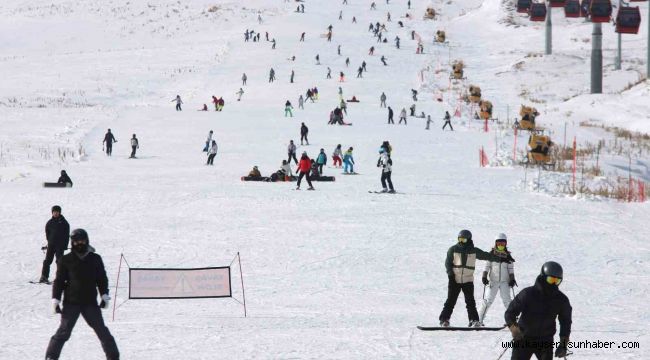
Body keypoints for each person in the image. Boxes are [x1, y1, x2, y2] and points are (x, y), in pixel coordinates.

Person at [45, 228, 120, 360]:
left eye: (82, 241)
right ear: (72, 243)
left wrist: (104, 294)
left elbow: (102, 278)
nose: (79, 243)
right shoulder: (66, 259)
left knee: (102, 331)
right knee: (64, 331)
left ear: (87, 241)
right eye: (76, 241)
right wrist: (55, 299)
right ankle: (51, 357)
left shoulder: (95, 259)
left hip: (90, 302)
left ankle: (113, 357)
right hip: (71, 302)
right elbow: (59, 281)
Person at [439, 230, 510, 327]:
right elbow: (448, 263)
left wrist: (500, 259)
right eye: (459, 239)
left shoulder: (473, 250)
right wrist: (451, 275)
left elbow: (486, 255)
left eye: (463, 240)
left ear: (468, 240)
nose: (461, 242)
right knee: (451, 301)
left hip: (468, 280)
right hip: (454, 280)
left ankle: (474, 320)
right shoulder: (453, 249)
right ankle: (444, 320)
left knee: (470, 302)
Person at [505, 262, 572, 360]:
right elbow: (510, 313)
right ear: (543, 277)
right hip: (524, 338)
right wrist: (515, 330)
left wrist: (563, 344)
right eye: (551, 280)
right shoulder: (528, 294)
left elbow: (566, 322)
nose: (553, 283)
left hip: (545, 341)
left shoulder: (561, 299)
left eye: (557, 281)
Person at [478, 234, 516, 325]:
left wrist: (512, 279)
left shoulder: (508, 257)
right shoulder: (490, 255)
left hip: (504, 282)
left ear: (506, 244)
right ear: (495, 244)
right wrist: (484, 276)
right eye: (499, 243)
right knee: (487, 300)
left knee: (507, 301)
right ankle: (479, 320)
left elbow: (511, 270)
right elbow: (487, 266)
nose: (500, 245)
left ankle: (512, 321)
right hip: (493, 281)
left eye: (503, 243)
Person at [39, 205, 70, 283]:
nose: (55, 213)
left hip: (60, 246)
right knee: (47, 261)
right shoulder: (50, 222)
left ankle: (60, 278)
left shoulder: (64, 223)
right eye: (54, 212)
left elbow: (66, 235)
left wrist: (65, 245)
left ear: (59, 212)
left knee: (59, 261)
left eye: (57, 212)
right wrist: (49, 241)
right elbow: (47, 233)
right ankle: (44, 277)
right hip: (51, 245)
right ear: (52, 213)